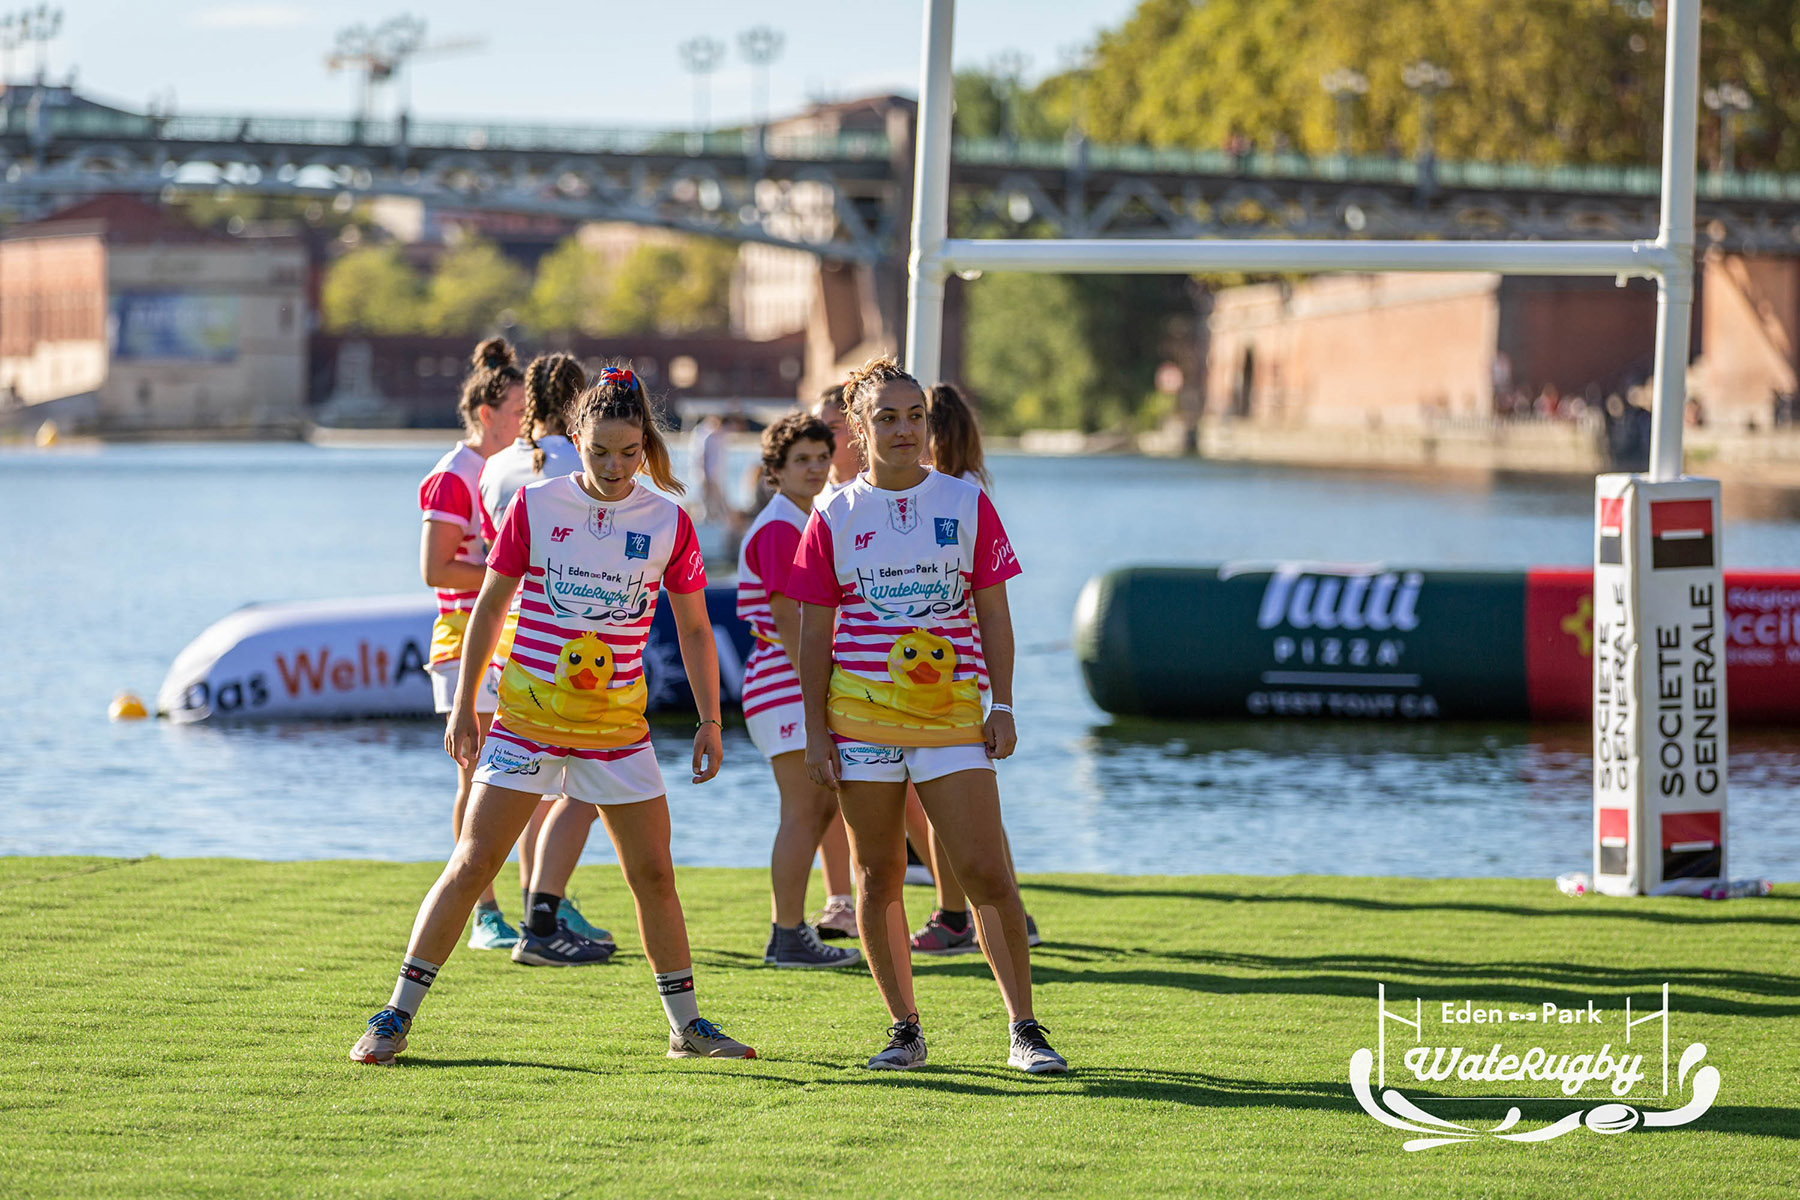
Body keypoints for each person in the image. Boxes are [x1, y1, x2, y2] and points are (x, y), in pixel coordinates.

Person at [353, 366, 754, 1065]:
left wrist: (710, 721)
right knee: (473, 863)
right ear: (577, 438)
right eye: (600, 451)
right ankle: (393, 1016)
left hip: (619, 734)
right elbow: (491, 605)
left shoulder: (669, 521)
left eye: (629, 453)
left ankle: (686, 1028)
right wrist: (468, 706)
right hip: (525, 722)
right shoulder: (536, 506)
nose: (614, 466)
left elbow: (693, 630)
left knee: (654, 875)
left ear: (647, 447)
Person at [788, 356, 1067, 1075]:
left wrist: (1002, 704)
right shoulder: (832, 513)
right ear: (859, 426)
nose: (904, 428)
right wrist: (816, 733)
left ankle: (1025, 1030)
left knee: (985, 870)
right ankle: (905, 1031)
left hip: (953, 722)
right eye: (886, 416)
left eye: (915, 416)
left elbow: (994, 613)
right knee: (878, 875)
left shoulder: (966, 501)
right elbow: (814, 634)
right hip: (860, 726)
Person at [476, 351, 614, 958]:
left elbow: (492, 561)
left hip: (513, 643)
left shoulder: (494, 467)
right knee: (580, 787)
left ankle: (533, 912)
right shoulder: (577, 462)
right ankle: (542, 913)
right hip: (573, 645)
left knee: (526, 790)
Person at [907, 382, 1040, 956]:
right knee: (972, 800)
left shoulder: (948, 496)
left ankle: (954, 914)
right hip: (960, 667)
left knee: (947, 799)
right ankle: (1004, 908)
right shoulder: (969, 489)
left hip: (943, 672)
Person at [737, 414, 863, 970]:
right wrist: (820, 692)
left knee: (814, 810)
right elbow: (789, 618)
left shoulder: (808, 518)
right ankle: (785, 935)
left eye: (821, 457)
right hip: (782, 685)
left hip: (792, 686)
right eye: (801, 461)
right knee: (803, 810)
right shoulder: (781, 526)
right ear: (774, 472)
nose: (816, 468)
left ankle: (790, 932)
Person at [418, 337, 526, 951]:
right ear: (486, 415)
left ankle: (544, 902)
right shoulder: (452, 475)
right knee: (476, 775)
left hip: (505, 633)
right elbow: (435, 569)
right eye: (516, 413)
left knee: (521, 774)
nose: (525, 425)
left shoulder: (513, 471)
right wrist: (506, 577)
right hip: (462, 635)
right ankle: (484, 911)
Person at [804, 385, 861, 939]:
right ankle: (841, 900)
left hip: (907, 684)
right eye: (817, 428)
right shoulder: (824, 505)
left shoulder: (902, 494)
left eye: (833, 428)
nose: (824, 440)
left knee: (925, 802)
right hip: (845, 680)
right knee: (832, 792)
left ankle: (964, 904)